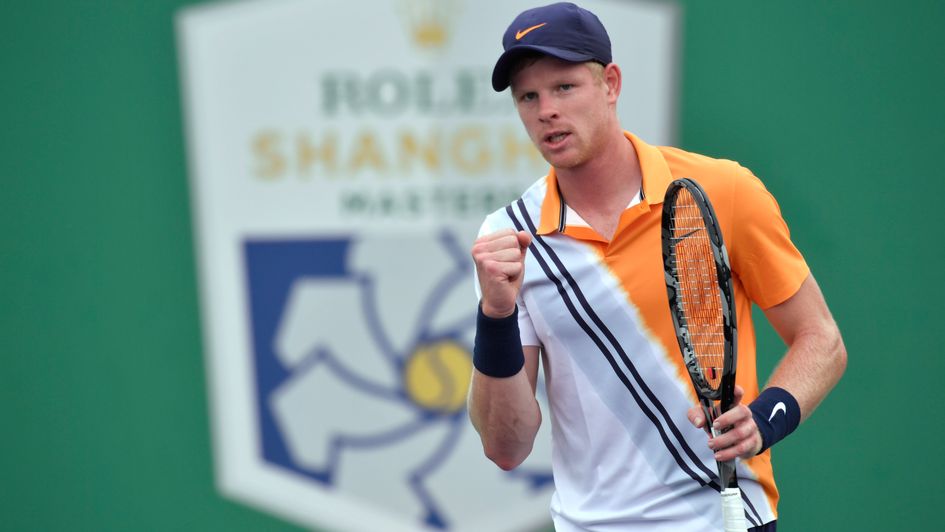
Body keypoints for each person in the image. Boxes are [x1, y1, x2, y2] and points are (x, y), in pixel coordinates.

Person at [467, 3, 847, 531]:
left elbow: (821, 339)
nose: (546, 110)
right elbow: (505, 446)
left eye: (564, 88)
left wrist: (764, 421)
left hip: (725, 518)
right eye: (528, 96)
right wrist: (495, 313)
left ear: (611, 84)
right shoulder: (509, 239)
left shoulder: (724, 190)